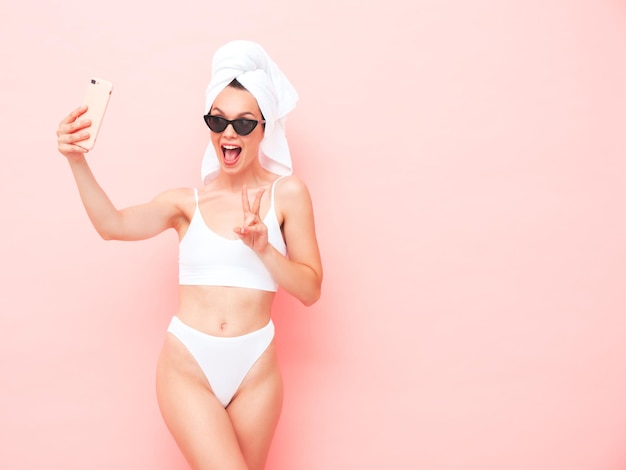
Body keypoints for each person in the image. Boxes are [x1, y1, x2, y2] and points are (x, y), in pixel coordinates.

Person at [56, 40, 323, 470]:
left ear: (265, 126)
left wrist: (264, 250)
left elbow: (310, 290)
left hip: (256, 368)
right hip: (189, 366)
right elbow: (113, 225)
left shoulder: (288, 194)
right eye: (217, 120)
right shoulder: (186, 204)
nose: (228, 133)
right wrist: (76, 161)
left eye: (242, 123)